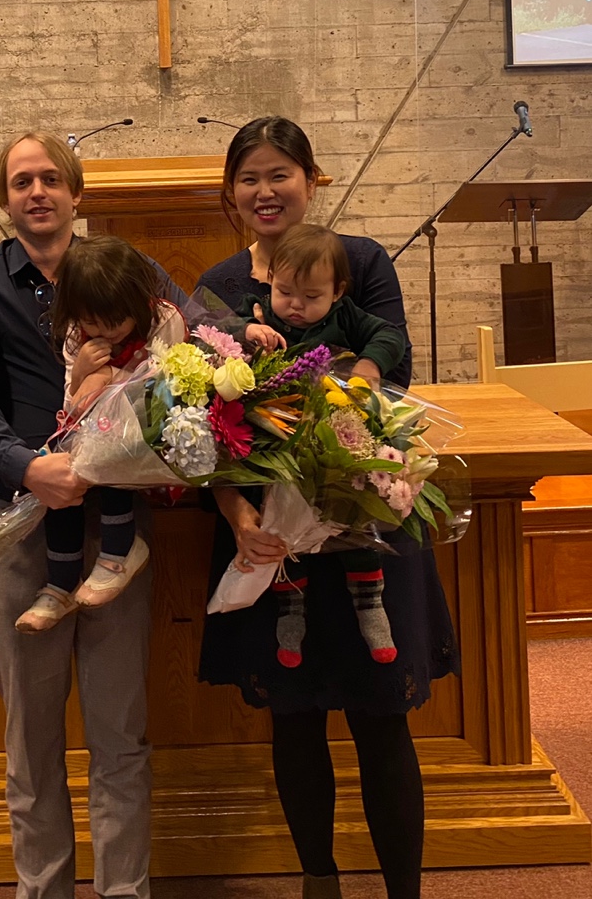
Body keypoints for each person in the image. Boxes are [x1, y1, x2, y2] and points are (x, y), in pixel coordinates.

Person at [196, 116, 459, 899]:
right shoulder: (218, 285)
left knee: (383, 717)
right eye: (249, 177)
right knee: (294, 714)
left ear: (311, 181)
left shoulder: (360, 260)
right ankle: (320, 880)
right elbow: (206, 411)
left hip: (364, 518)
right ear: (231, 193)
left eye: (280, 173)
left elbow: (392, 362)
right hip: (271, 535)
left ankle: (404, 890)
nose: (265, 190)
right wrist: (240, 519)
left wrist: (343, 414)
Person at [0, 130, 186, 899]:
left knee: (120, 735)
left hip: (116, 538)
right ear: (6, 199)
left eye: (50, 178)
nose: (37, 192)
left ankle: (124, 892)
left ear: (77, 192)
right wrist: (27, 466)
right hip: (21, 527)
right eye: (21, 182)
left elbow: (199, 330)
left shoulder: (127, 265)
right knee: (32, 742)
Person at [241, 222, 407, 668]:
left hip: (337, 436)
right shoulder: (260, 311)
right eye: (285, 291)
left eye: (312, 296)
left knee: (355, 518)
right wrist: (246, 331)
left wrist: (369, 365)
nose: (295, 305)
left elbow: (390, 335)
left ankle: (370, 605)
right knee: (282, 528)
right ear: (270, 278)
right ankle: (290, 611)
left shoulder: (347, 315)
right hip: (279, 441)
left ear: (337, 292)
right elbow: (219, 328)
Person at [15, 234, 187, 633]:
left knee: (109, 454)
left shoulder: (164, 320)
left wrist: (108, 375)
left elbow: (166, 387)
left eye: (115, 322)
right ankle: (61, 583)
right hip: (95, 423)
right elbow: (73, 400)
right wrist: (81, 373)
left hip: (148, 430)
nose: (105, 332)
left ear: (136, 301)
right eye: (92, 322)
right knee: (62, 475)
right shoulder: (78, 333)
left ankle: (118, 551)